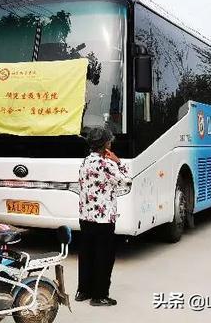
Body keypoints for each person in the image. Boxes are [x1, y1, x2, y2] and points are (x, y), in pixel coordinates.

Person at [76, 127, 131, 307]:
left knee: (87, 253)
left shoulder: (85, 161)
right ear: (106, 144)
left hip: (85, 216)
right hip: (103, 218)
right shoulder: (107, 164)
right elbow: (127, 181)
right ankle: (99, 295)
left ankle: (83, 291)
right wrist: (118, 161)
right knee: (104, 256)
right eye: (109, 141)